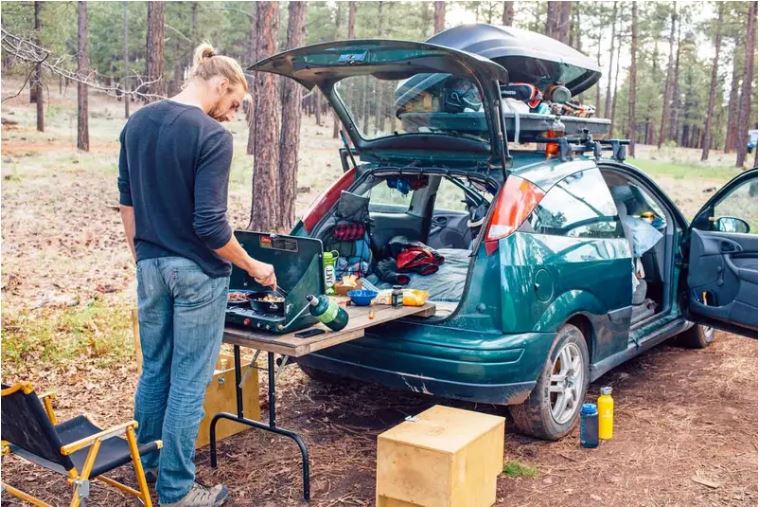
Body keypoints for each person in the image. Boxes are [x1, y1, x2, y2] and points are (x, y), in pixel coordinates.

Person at [118, 43, 276, 507]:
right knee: (189, 379)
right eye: (232, 104)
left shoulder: (138, 123)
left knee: (155, 371)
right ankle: (176, 491)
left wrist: (143, 256)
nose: (229, 115)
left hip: (149, 266)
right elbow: (210, 226)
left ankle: (146, 471)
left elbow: (127, 201)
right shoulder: (210, 136)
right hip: (197, 275)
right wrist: (250, 263)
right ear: (220, 83)